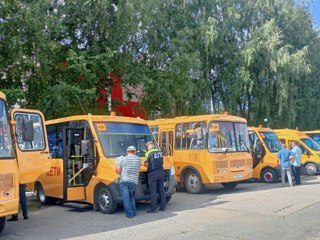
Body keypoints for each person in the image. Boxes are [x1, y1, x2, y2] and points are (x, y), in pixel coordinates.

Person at [116, 146, 141, 218]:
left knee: (126, 198)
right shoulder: (138, 159)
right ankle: (134, 212)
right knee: (131, 197)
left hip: (124, 181)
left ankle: (130, 214)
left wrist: (117, 165)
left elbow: (118, 171)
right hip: (133, 182)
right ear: (135, 152)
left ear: (127, 152)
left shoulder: (122, 159)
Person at [144, 141, 166, 213]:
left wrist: (144, 164)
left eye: (147, 147)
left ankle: (153, 208)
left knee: (153, 191)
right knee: (161, 190)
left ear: (149, 146)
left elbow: (146, 164)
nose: (147, 148)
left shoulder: (148, 153)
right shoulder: (160, 152)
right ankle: (163, 207)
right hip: (161, 172)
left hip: (153, 173)